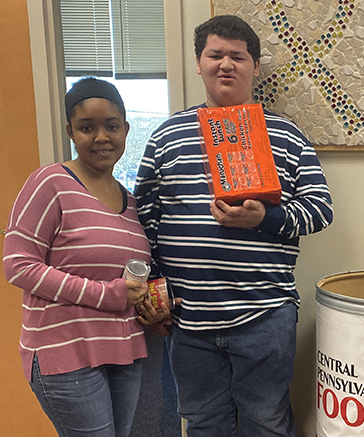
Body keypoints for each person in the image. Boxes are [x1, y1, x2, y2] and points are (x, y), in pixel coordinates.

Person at [133, 14, 334, 436]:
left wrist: (266, 218)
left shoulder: (286, 135)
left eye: (238, 57)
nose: (226, 64)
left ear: (255, 67)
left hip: (265, 313)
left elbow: (320, 210)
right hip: (188, 317)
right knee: (204, 423)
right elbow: (144, 217)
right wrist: (154, 287)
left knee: (267, 421)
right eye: (215, 55)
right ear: (198, 61)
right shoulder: (166, 136)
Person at [3, 77, 169, 437]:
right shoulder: (50, 183)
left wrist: (149, 307)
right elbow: (17, 264)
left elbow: (127, 279)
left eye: (111, 126)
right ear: (70, 131)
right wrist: (106, 295)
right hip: (66, 356)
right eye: (86, 127)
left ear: (126, 129)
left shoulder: (131, 202)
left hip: (125, 351)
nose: (101, 137)